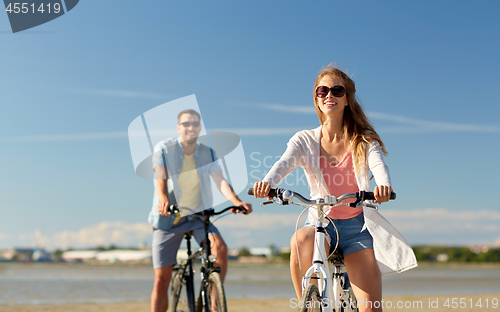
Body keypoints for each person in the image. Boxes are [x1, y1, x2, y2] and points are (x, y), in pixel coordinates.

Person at [253, 65, 416, 312]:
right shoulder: (304, 140)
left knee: (370, 309)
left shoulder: (363, 139)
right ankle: (307, 305)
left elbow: (379, 165)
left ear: (347, 99)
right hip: (322, 224)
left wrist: (383, 186)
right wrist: (268, 183)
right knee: (300, 239)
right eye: (323, 91)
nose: (329, 95)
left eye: (337, 90)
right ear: (317, 99)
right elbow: (282, 164)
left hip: (357, 229)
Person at [149, 109, 252, 312]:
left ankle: (214, 305)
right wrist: (163, 201)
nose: (191, 127)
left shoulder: (208, 153)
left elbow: (220, 180)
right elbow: (160, 179)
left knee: (220, 248)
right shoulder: (164, 148)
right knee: (162, 280)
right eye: (186, 124)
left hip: (198, 217)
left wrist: (237, 201)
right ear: (178, 128)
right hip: (168, 217)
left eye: (195, 124)